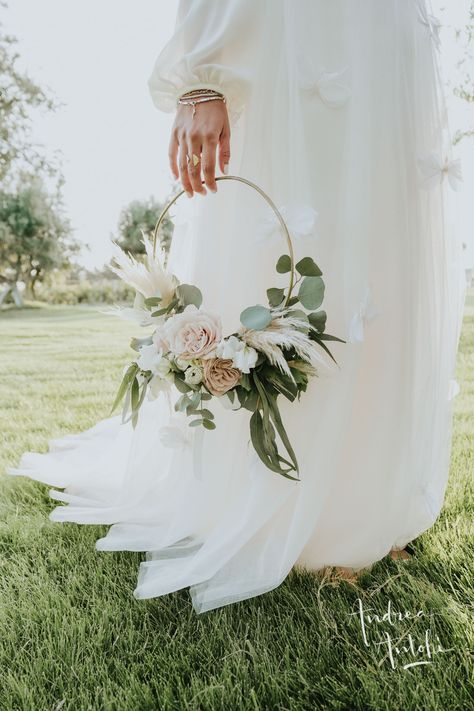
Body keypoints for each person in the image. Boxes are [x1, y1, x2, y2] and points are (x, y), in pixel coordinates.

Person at [8, 0, 466, 613]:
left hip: (385, 41)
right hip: (307, 38)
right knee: (310, 233)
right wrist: (203, 75)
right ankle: (292, 508)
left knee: (381, 252)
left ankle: (366, 506)